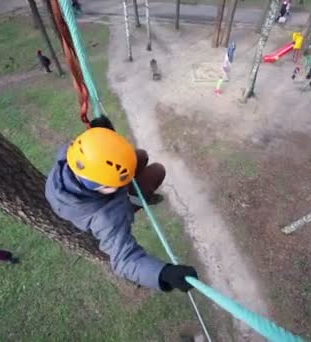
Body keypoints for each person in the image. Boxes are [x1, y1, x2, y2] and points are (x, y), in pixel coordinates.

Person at [45, 116, 198, 292]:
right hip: (108, 208)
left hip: (73, 199)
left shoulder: (70, 157)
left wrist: (102, 137)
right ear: (102, 187)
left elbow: (89, 147)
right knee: (157, 171)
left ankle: (135, 191)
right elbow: (124, 260)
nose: (121, 184)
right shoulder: (106, 219)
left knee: (140, 156)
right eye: (117, 184)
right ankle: (138, 200)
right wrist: (163, 273)